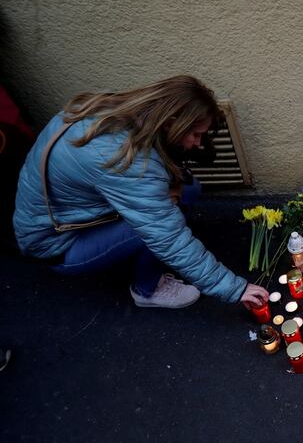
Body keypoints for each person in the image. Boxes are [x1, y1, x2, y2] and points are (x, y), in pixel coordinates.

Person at [13, 76, 268, 310]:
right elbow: (167, 237)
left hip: (58, 218)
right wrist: (236, 288)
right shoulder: (122, 160)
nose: (197, 144)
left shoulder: (115, 109)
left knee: (187, 189)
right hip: (58, 245)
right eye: (195, 134)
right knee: (161, 224)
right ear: (170, 123)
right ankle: (147, 290)